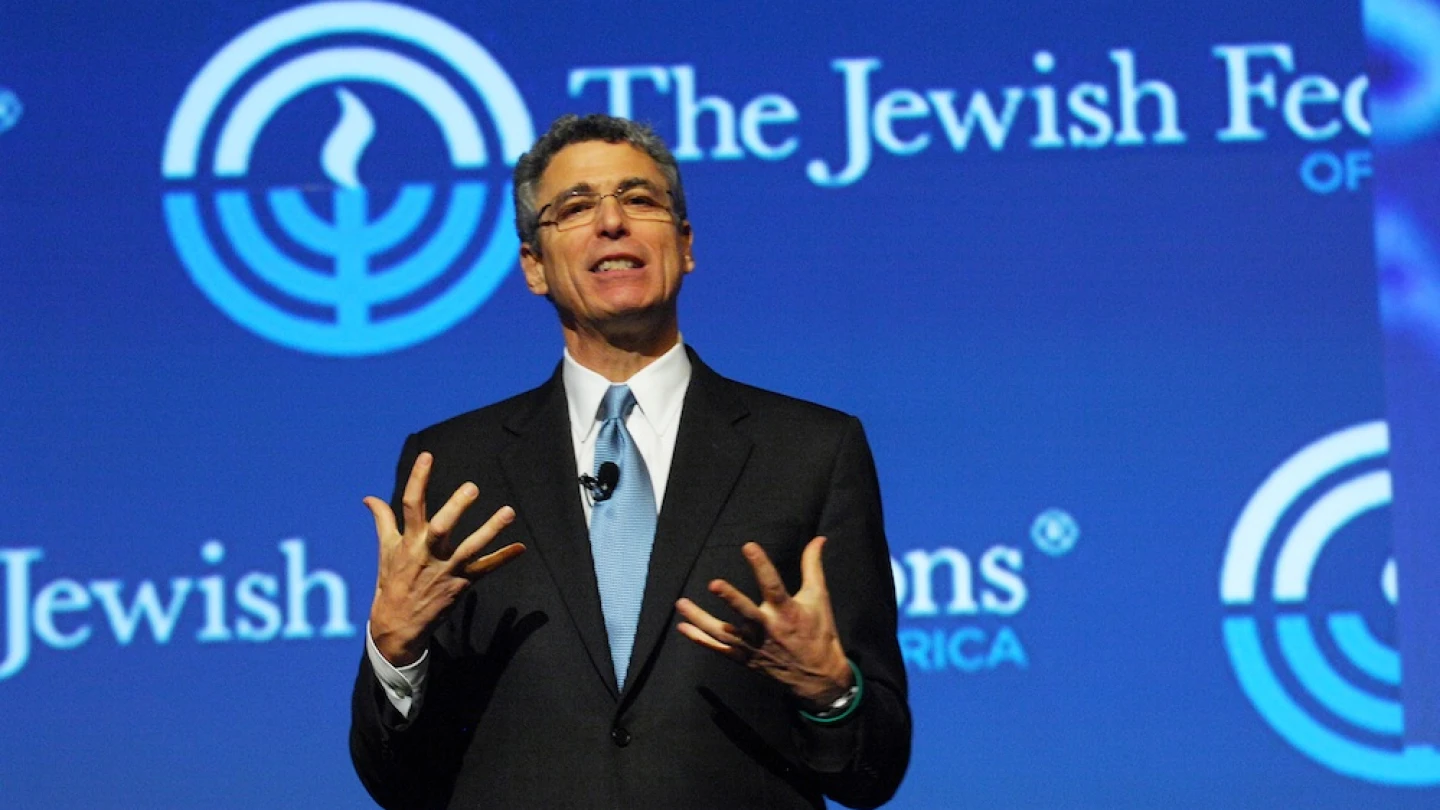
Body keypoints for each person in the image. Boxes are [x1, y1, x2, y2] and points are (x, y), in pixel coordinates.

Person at [349, 114, 911, 810]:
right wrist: (395, 650)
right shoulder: (454, 467)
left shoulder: (810, 451)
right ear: (533, 266)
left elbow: (874, 769)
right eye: (575, 207)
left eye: (640, 199)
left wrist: (830, 691)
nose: (612, 222)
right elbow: (398, 782)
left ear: (685, 244)